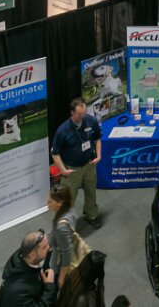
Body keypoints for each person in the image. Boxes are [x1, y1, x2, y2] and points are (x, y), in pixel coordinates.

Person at [51, 98, 102, 228]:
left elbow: (97, 139)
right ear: (72, 113)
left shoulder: (91, 121)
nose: (83, 116)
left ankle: (92, 215)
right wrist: (63, 171)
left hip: (89, 165)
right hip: (71, 169)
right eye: (80, 114)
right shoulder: (63, 130)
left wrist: (99, 155)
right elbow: (55, 154)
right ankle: (67, 226)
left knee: (91, 191)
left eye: (84, 112)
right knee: (68, 199)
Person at [0, 230, 56, 307]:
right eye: (44, 247)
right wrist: (49, 286)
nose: (48, 247)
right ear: (32, 255)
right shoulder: (19, 292)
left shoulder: (25, 257)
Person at [48, 186, 78, 291]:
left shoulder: (61, 227)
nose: (47, 203)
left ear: (60, 203)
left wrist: (61, 278)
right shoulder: (70, 208)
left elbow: (66, 253)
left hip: (59, 262)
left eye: (50, 202)